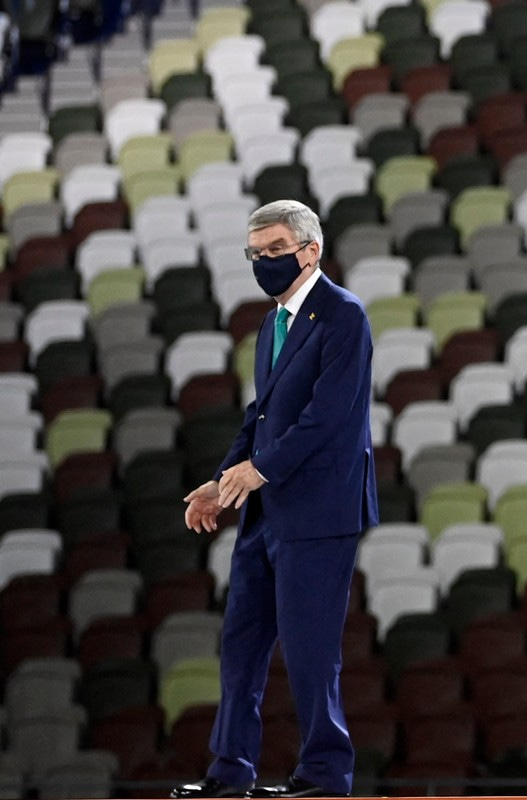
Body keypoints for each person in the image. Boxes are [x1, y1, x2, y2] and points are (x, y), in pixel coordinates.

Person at [173, 201, 378, 799]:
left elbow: (329, 418)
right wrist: (222, 481)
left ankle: (325, 775)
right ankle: (229, 772)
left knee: (311, 651)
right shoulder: (272, 323)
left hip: (319, 510)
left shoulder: (344, 316)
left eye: (276, 250)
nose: (265, 261)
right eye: (256, 253)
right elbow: (259, 416)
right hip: (267, 509)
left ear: (310, 250)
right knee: (241, 644)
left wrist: (256, 471)